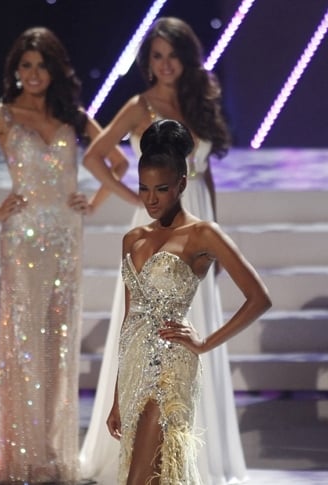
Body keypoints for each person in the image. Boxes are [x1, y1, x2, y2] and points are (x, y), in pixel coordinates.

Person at [0, 27, 128, 484]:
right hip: (22, 237)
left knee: (57, 345)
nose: (32, 74)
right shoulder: (3, 116)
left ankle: (52, 453)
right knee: (25, 344)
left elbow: (119, 163)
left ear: (54, 69)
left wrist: (96, 200)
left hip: (66, 235)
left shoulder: (73, 116)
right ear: (15, 71)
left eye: (40, 65)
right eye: (24, 66)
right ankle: (24, 456)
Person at [79, 17, 241, 484]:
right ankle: (136, 439)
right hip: (154, 226)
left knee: (195, 328)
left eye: (172, 55)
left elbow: (205, 173)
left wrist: (219, 229)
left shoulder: (200, 102)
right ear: (147, 63)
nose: (165, 64)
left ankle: (194, 457)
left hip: (199, 227)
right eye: (156, 56)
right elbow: (94, 155)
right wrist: (134, 198)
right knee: (145, 328)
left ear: (186, 59)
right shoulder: (139, 105)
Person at [109, 118, 271, 484]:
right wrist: (117, 397)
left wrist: (203, 344)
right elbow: (128, 318)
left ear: (182, 183)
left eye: (161, 189)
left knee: (138, 479)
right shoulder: (132, 238)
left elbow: (259, 298)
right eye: (144, 188)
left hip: (171, 366)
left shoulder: (203, 234)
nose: (151, 199)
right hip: (134, 363)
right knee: (157, 475)